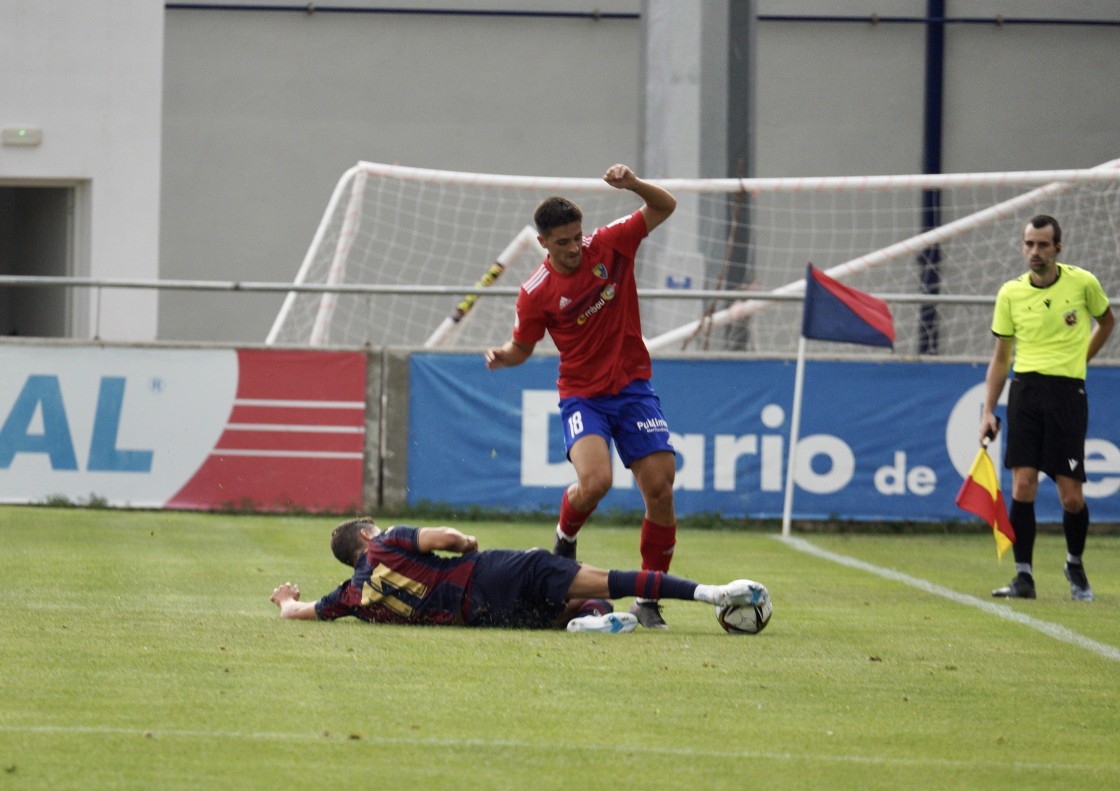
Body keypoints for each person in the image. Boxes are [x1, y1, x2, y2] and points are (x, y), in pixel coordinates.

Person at [484, 163, 680, 629]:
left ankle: (649, 597)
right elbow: (523, 348)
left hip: (634, 389)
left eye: (577, 237)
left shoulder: (610, 243)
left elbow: (665, 205)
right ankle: (564, 539)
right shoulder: (535, 293)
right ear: (543, 243)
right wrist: (502, 357)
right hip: (583, 396)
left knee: (660, 490)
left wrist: (633, 185)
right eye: (563, 242)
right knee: (596, 483)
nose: (574, 248)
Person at [270, 516, 769, 633]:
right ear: (363, 536)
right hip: (490, 574)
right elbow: (443, 540)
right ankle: (711, 594)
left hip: (484, 617)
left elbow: (298, 610)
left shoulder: (351, 596)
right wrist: (465, 541)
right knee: (609, 579)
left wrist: (284, 599)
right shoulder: (386, 540)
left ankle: (587, 623)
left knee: (574, 606)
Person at [979, 214, 1114, 601]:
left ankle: (1074, 563)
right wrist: (988, 410)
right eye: (1029, 244)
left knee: (1071, 495)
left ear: (1058, 247)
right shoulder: (1010, 293)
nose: (1034, 251)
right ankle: (1024, 577)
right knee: (1023, 484)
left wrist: (1080, 360)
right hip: (1025, 391)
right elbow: (1001, 357)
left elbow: (1107, 321)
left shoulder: (1083, 283)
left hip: (1067, 395)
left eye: (1042, 244)